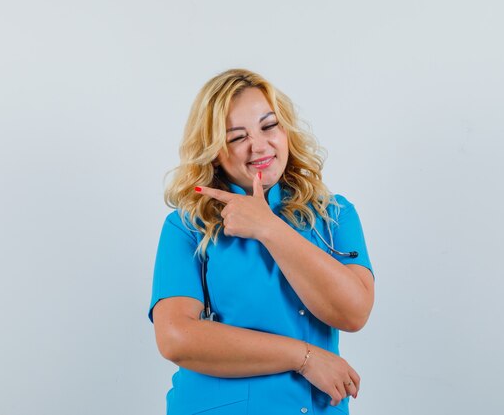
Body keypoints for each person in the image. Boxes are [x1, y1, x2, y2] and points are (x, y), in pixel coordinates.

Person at [148, 68, 375, 415]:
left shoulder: (335, 215)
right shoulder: (187, 227)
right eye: (237, 137)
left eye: (269, 126)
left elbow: (354, 312)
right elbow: (176, 337)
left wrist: (268, 227)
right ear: (214, 151)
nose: (259, 145)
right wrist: (304, 357)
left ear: (286, 131)